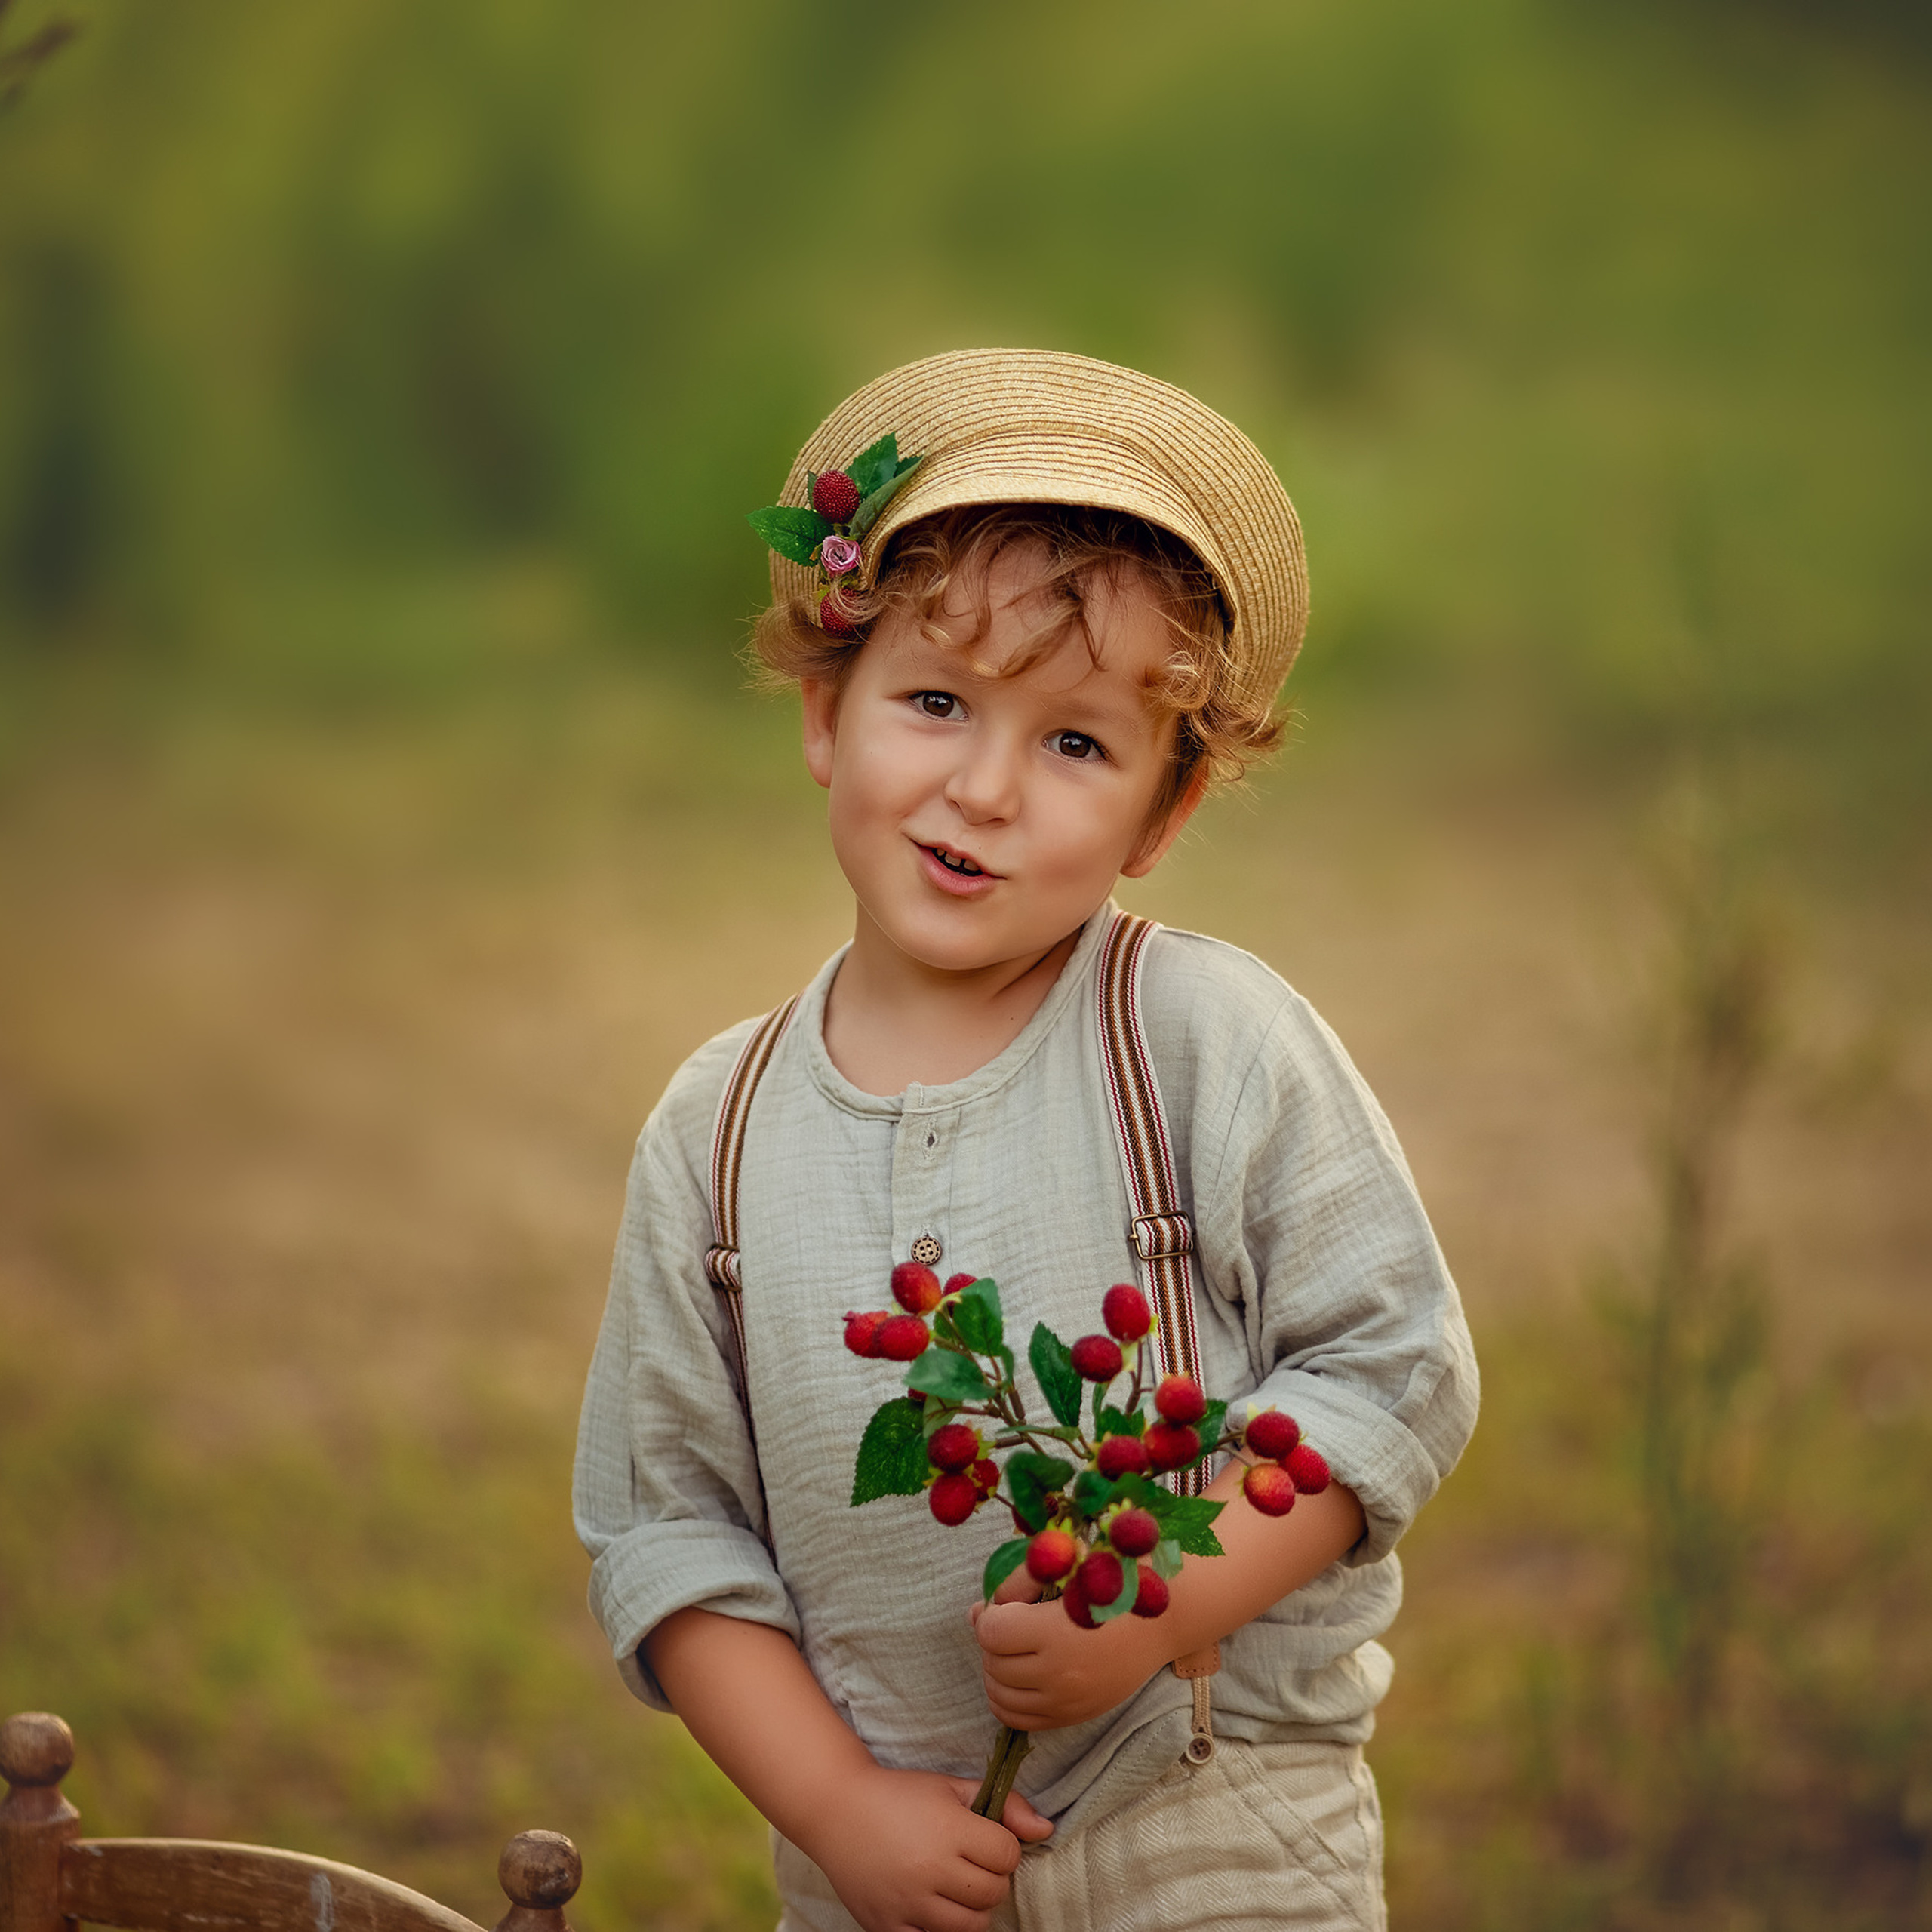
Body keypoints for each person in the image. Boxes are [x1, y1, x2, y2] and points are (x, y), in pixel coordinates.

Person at [574, 349, 1478, 1932]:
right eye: (935, 702)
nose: (984, 788)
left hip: (1217, 1823)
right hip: (880, 1874)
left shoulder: (1205, 1041)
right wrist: (837, 1811)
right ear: (825, 712)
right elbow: (670, 1536)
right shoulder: (713, 1132)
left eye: (1075, 744)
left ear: (1161, 812)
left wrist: (1157, 1600)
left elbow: (1386, 1367)